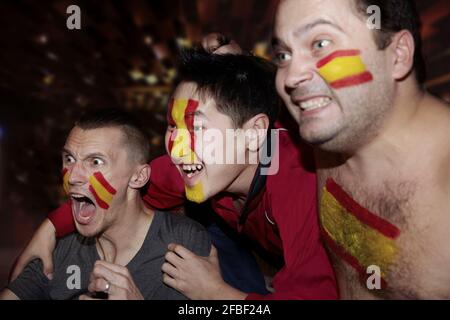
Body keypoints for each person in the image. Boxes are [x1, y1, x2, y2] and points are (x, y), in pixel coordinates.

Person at [10, 49, 338, 300]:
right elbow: (120, 188)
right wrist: (50, 228)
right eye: (172, 127)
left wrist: (217, 294)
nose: (177, 150)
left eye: (196, 127)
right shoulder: (194, 165)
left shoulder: (301, 182)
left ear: (253, 134)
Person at [271, 0, 450, 299]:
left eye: (320, 43)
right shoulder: (331, 134)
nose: (290, 77)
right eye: (283, 55)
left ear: (398, 55)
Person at [0, 109, 211, 300]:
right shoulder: (58, 246)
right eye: (69, 159)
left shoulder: (182, 244)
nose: (73, 177)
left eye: (96, 162)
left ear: (138, 177)